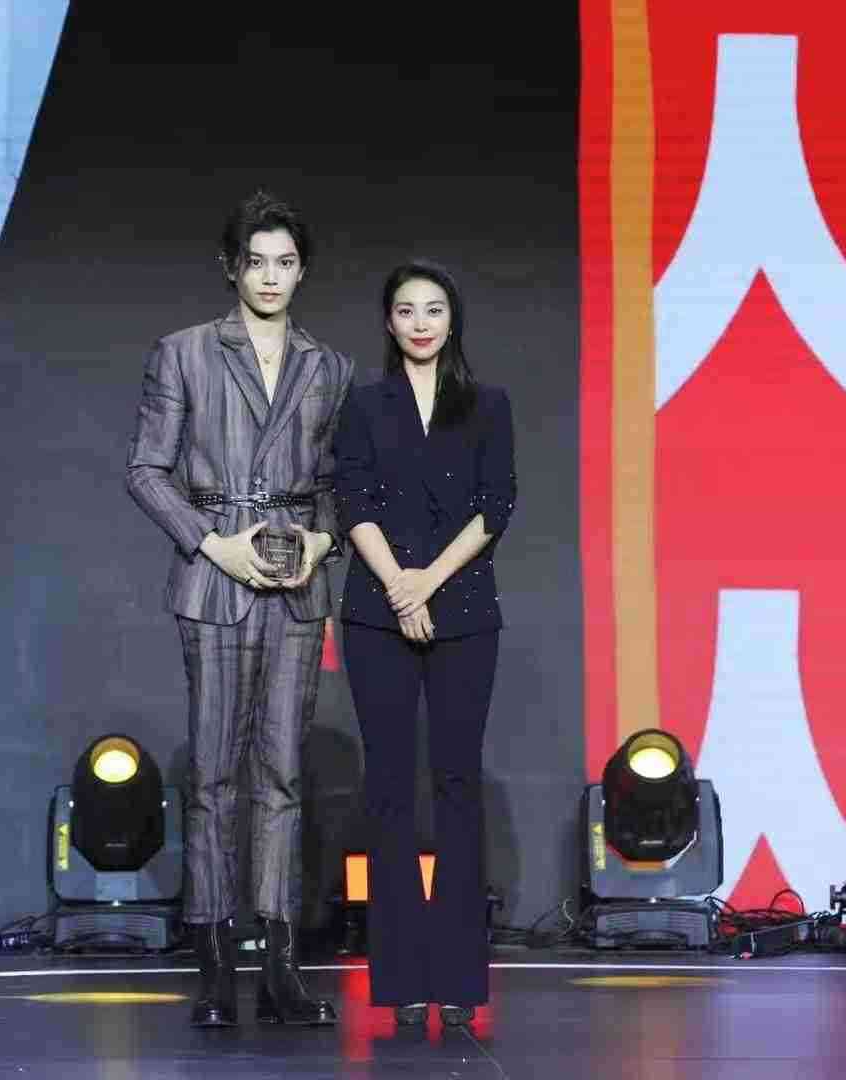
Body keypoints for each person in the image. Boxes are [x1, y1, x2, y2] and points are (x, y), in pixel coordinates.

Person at [126, 190, 353, 1028]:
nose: (270, 277)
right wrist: (210, 543)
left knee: (284, 775)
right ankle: (217, 965)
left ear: (303, 270)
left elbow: (338, 483)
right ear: (231, 267)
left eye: (285, 262)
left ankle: (282, 966)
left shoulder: (329, 367)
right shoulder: (184, 352)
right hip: (215, 577)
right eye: (256, 261)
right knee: (216, 775)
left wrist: (322, 541)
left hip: (297, 583)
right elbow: (146, 470)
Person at [333, 259, 516, 1027]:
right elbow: (353, 500)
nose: (420, 322)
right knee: (389, 787)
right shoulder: (363, 404)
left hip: (463, 610)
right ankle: (402, 980)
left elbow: (495, 505)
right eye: (406, 309)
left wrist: (427, 583)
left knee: (456, 783)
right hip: (375, 613)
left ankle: (459, 978)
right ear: (389, 321)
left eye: (433, 309)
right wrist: (396, 587)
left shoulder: (487, 404)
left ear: (452, 319)